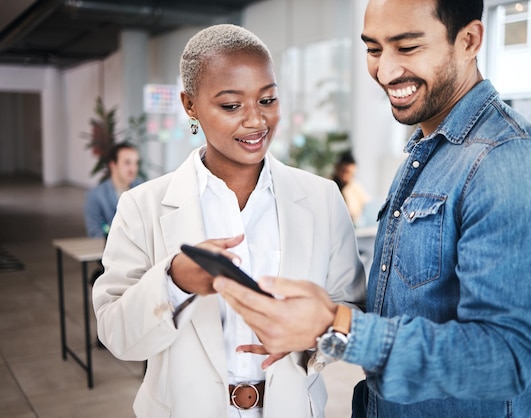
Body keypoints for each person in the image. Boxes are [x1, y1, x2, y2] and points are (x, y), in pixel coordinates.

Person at [214, 1, 531, 417]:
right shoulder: (428, 153)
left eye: (406, 48)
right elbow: (411, 310)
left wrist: (337, 325)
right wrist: (315, 319)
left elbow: (504, 360)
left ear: (469, 41)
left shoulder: (511, 162)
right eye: (373, 49)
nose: (385, 72)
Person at [91, 24, 365, 418]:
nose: (256, 121)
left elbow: (350, 309)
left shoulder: (321, 199)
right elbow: (116, 335)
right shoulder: (142, 206)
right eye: (231, 106)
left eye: (267, 99)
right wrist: (174, 281)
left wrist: (312, 335)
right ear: (190, 106)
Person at [83, 141, 141, 238]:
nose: (133, 169)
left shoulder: (142, 189)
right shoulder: (96, 196)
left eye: (136, 163)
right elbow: (95, 233)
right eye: (127, 163)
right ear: (113, 164)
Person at [331, 150, 370, 225]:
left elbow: (367, 206)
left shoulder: (356, 187)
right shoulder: (328, 184)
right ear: (337, 168)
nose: (346, 176)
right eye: (344, 171)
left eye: (350, 173)